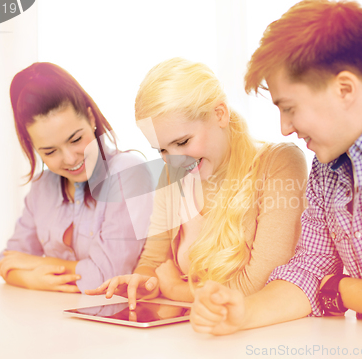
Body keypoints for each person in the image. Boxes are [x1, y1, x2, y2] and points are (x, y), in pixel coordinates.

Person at [190, 0, 362, 334]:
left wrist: (342, 290)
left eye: (289, 108)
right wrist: (244, 313)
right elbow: (310, 270)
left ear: (345, 89)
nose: (285, 128)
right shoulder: (327, 165)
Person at [86, 58, 307, 308]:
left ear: (219, 114)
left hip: (256, 335)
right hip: (195, 331)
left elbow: (260, 285)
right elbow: (153, 262)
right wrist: (144, 283)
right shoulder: (171, 176)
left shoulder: (279, 164)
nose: (174, 161)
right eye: (162, 150)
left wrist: (175, 289)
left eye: (182, 143)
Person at [0, 62, 153, 293]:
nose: (70, 159)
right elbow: (8, 260)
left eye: (76, 139)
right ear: (34, 147)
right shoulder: (42, 187)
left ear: (90, 118)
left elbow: (106, 276)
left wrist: (38, 265)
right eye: (50, 151)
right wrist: (31, 280)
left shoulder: (128, 173)